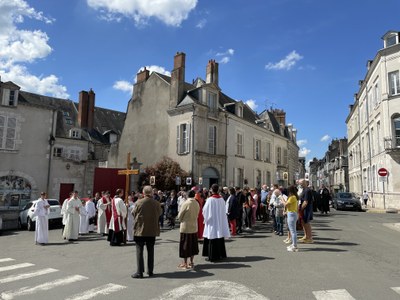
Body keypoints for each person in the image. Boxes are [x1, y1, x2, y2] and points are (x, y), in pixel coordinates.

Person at [132, 185, 162, 279]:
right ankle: (150, 270)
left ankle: (139, 272)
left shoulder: (139, 202)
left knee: (139, 251)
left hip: (140, 230)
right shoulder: (156, 203)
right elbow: (160, 213)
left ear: (143, 193)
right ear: (152, 193)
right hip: (152, 230)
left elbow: (133, 213)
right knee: (151, 250)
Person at [202, 184, 231, 262]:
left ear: (211, 190)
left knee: (212, 237)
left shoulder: (210, 200)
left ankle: (212, 256)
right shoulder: (221, 199)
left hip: (212, 222)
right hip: (219, 222)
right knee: (219, 236)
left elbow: (205, 211)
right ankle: (220, 254)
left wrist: (205, 219)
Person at [177, 190, 200, 269]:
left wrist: (181, 219)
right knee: (193, 245)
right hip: (194, 226)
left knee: (185, 245)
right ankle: (192, 262)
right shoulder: (197, 203)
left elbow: (180, 216)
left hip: (186, 227)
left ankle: (185, 263)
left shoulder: (186, 203)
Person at [281, 185, 299, 252]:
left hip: (292, 214)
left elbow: (286, 204)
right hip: (291, 213)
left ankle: (294, 246)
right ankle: (293, 244)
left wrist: (282, 199)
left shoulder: (292, 197)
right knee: (292, 230)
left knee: (293, 231)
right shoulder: (293, 197)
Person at [299, 179, 313, 243]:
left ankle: (309, 238)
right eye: (300, 183)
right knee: (303, 222)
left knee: (306, 223)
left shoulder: (307, 190)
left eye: (301, 183)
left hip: (306, 209)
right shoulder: (304, 190)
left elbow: (305, 202)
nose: (300, 184)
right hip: (304, 209)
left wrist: (301, 209)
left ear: (305, 183)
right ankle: (306, 236)